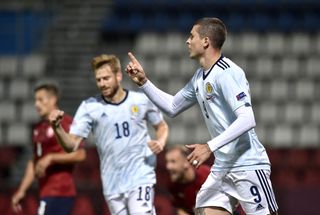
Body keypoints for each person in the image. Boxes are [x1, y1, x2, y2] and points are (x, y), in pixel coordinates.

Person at [126, 17, 278, 215]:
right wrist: (144, 82)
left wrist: (209, 147)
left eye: (192, 36)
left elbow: (247, 119)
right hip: (223, 167)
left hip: (248, 164)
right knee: (202, 211)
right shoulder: (200, 77)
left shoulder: (228, 73)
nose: (187, 41)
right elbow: (172, 107)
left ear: (205, 41)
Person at [48, 54, 169, 215]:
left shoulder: (140, 100)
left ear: (118, 76)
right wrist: (57, 128)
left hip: (141, 176)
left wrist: (160, 141)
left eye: (106, 78)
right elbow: (71, 145)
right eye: (98, 80)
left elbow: (161, 126)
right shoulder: (89, 107)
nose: (102, 84)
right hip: (112, 185)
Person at [11, 83, 86, 215]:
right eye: (35, 100)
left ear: (53, 99)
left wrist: (51, 157)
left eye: (40, 99)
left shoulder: (66, 122)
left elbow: (80, 154)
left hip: (61, 191)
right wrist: (22, 190)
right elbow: (34, 161)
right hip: (45, 191)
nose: (36, 104)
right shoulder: (38, 129)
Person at [165, 145, 211, 215]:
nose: (168, 166)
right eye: (167, 162)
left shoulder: (207, 176)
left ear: (186, 163)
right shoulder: (172, 186)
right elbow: (179, 209)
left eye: (173, 161)